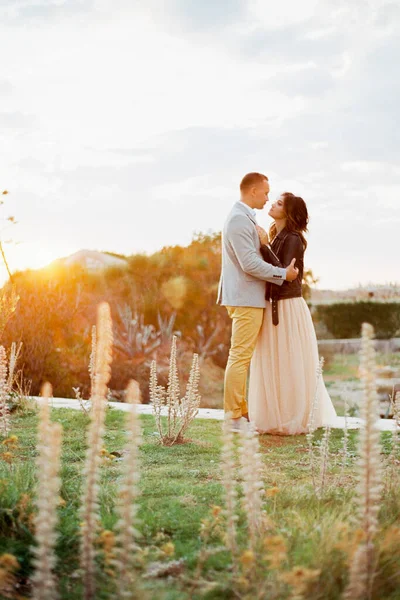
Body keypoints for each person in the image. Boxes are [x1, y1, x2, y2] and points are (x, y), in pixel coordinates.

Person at [248, 192, 337, 435]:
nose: (272, 204)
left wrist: (264, 244)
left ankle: (291, 416)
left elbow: (281, 273)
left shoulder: (293, 238)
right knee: (274, 361)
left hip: (287, 306)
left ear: (288, 212)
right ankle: (275, 415)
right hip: (272, 305)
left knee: (288, 362)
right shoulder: (277, 236)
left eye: (278, 203)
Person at [217, 173, 299, 431]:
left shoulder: (243, 217)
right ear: (252, 191)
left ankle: (241, 412)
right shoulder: (239, 220)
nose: (267, 198)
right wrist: (282, 274)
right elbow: (249, 264)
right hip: (246, 298)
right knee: (239, 357)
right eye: (265, 193)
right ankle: (232, 418)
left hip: (246, 297)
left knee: (242, 356)